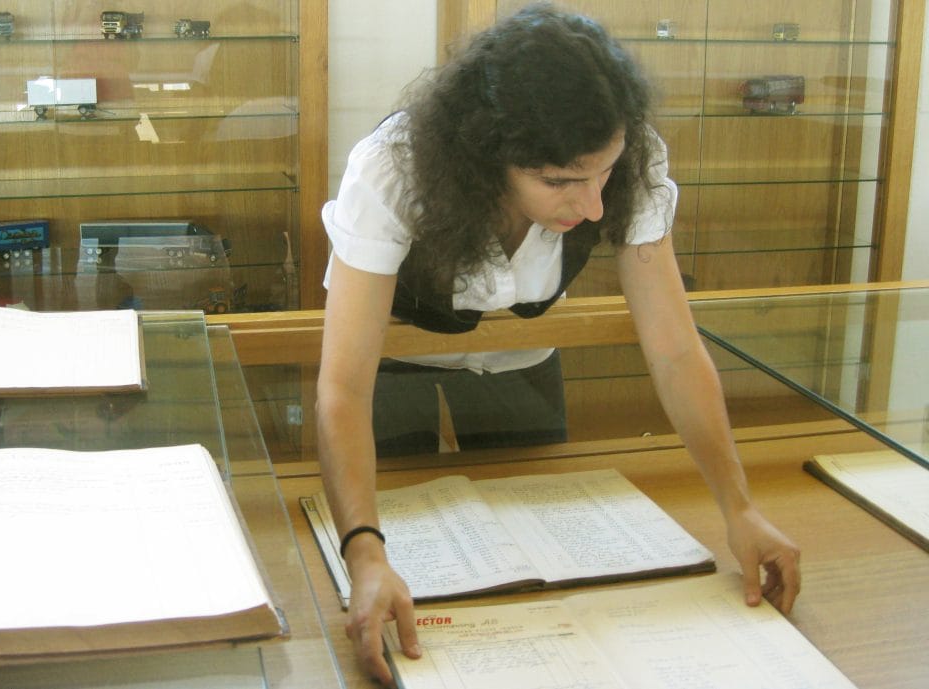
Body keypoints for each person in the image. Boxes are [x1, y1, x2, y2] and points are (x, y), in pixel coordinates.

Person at [316, 4, 801, 685]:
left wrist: (739, 507)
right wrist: (365, 554)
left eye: (603, 173)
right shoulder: (394, 168)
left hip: (525, 359)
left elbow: (673, 347)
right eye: (560, 181)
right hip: (395, 362)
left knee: (537, 562)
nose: (595, 205)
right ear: (487, 156)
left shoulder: (626, 155)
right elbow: (343, 385)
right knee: (412, 557)